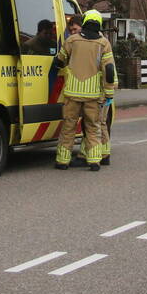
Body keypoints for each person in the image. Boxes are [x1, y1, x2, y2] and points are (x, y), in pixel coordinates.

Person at [53, 9, 115, 172]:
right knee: (93, 127)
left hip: (72, 93)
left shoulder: (72, 40)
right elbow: (109, 70)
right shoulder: (104, 43)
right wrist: (109, 93)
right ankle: (94, 161)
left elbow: (60, 60)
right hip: (92, 94)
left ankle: (62, 161)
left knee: (68, 127)